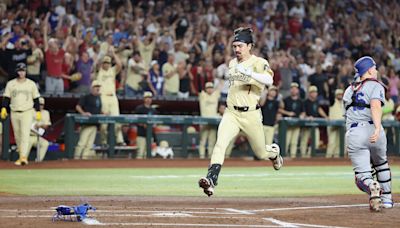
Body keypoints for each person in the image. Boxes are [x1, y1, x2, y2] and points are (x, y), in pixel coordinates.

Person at [198, 28, 283, 197]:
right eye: (235, 46)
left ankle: (274, 153)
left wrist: (250, 72)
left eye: (240, 46)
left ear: (249, 46)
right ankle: (211, 179)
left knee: (261, 153)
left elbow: (269, 80)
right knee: (220, 144)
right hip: (231, 113)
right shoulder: (232, 63)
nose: (237, 49)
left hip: (251, 114)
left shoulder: (258, 62)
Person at [343, 56, 393, 211]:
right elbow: (375, 106)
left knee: (362, 175)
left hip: (355, 132)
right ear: (369, 70)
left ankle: (372, 186)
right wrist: (377, 128)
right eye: (375, 67)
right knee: (382, 165)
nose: (376, 70)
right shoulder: (375, 85)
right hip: (373, 129)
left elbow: (346, 116)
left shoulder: (348, 90)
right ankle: (387, 200)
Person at [1, 63, 41, 165]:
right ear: (17, 71)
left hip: (27, 111)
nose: (21, 72)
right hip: (14, 111)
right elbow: (6, 98)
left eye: (23, 70)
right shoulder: (11, 84)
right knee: (17, 135)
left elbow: (36, 99)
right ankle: (21, 156)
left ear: (26, 71)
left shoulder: (31, 84)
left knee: (25, 134)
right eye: (20, 70)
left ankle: (23, 157)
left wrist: (38, 111)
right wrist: (3, 108)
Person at [96, 53, 125, 146]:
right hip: (103, 97)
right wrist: (103, 55)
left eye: (108, 63)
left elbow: (120, 65)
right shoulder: (99, 70)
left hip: (113, 97)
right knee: (104, 122)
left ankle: (119, 140)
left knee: (117, 120)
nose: (106, 64)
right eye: (105, 63)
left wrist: (113, 54)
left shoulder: (112, 70)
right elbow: (96, 65)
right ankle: (103, 142)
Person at [74, 80, 102, 159]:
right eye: (96, 87)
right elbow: (78, 106)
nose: (97, 88)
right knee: (82, 143)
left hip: (95, 124)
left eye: (98, 87)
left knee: (89, 145)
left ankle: (84, 160)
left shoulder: (99, 98)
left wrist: (104, 113)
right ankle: (75, 160)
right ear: (92, 88)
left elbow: (98, 110)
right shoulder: (86, 96)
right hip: (87, 123)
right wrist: (83, 113)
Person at [299, 86, 328, 158]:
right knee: (304, 141)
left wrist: (326, 116)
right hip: (306, 125)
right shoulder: (305, 102)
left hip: (315, 125)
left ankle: (309, 155)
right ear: (309, 93)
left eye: (315, 92)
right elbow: (303, 113)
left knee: (316, 142)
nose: (314, 94)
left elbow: (319, 109)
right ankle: (303, 156)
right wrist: (307, 117)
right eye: (313, 92)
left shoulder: (316, 102)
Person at [279, 82, 305, 158]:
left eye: (295, 89)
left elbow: (303, 112)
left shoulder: (300, 101)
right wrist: (288, 113)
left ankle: (293, 157)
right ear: (290, 90)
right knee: (286, 141)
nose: (294, 90)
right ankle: (283, 156)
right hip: (287, 124)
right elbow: (280, 109)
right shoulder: (286, 99)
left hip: (296, 124)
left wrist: (302, 115)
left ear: (298, 90)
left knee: (294, 142)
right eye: (292, 89)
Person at [198, 82, 220, 159]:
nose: (210, 89)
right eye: (208, 88)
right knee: (203, 140)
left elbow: (220, 85)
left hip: (213, 120)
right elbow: (199, 88)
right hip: (204, 120)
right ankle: (202, 156)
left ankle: (210, 155)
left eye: (211, 88)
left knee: (212, 140)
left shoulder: (215, 95)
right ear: (205, 89)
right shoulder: (202, 95)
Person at [27, 97, 51, 162]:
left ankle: (38, 161)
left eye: (42, 104)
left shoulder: (46, 112)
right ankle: (23, 163)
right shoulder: (30, 111)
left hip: (37, 136)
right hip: (28, 136)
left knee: (45, 143)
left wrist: (39, 125)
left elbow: (46, 126)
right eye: (39, 104)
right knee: (24, 154)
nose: (40, 106)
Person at [134, 91, 157, 159]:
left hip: (150, 135)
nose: (148, 99)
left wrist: (152, 125)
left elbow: (155, 123)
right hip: (141, 134)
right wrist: (143, 124)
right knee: (140, 153)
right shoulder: (139, 108)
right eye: (146, 98)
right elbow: (136, 120)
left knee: (148, 154)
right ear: (144, 99)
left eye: (150, 98)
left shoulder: (153, 110)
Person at [326, 89, 344, 158]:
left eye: (341, 94)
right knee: (332, 143)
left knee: (339, 143)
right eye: (338, 94)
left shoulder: (343, 103)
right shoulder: (332, 101)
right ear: (335, 95)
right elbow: (330, 96)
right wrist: (330, 86)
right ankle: (328, 157)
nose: (340, 95)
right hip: (332, 125)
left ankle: (337, 159)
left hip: (341, 125)